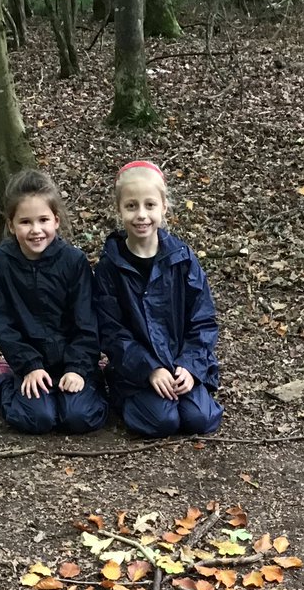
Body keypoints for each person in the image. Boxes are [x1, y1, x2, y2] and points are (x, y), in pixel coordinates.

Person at [94, 160, 223, 438]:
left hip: (180, 363)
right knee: (162, 421)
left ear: (164, 207)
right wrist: (150, 369)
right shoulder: (110, 267)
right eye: (131, 206)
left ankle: (186, 388)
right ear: (119, 209)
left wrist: (190, 366)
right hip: (136, 371)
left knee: (200, 419)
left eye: (149, 205)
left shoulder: (182, 259)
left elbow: (203, 319)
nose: (141, 215)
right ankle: (122, 396)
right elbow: (111, 331)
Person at [0, 169, 108, 435]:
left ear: (56, 221)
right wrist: (29, 365)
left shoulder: (73, 262)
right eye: (25, 222)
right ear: (11, 225)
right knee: (38, 419)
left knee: (79, 418)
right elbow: (3, 324)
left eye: (43, 220)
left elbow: (87, 322)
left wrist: (77, 368)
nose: (36, 230)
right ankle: (4, 381)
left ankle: (88, 381)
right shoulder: (0, 264)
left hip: (71, 359)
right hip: (29, 361)